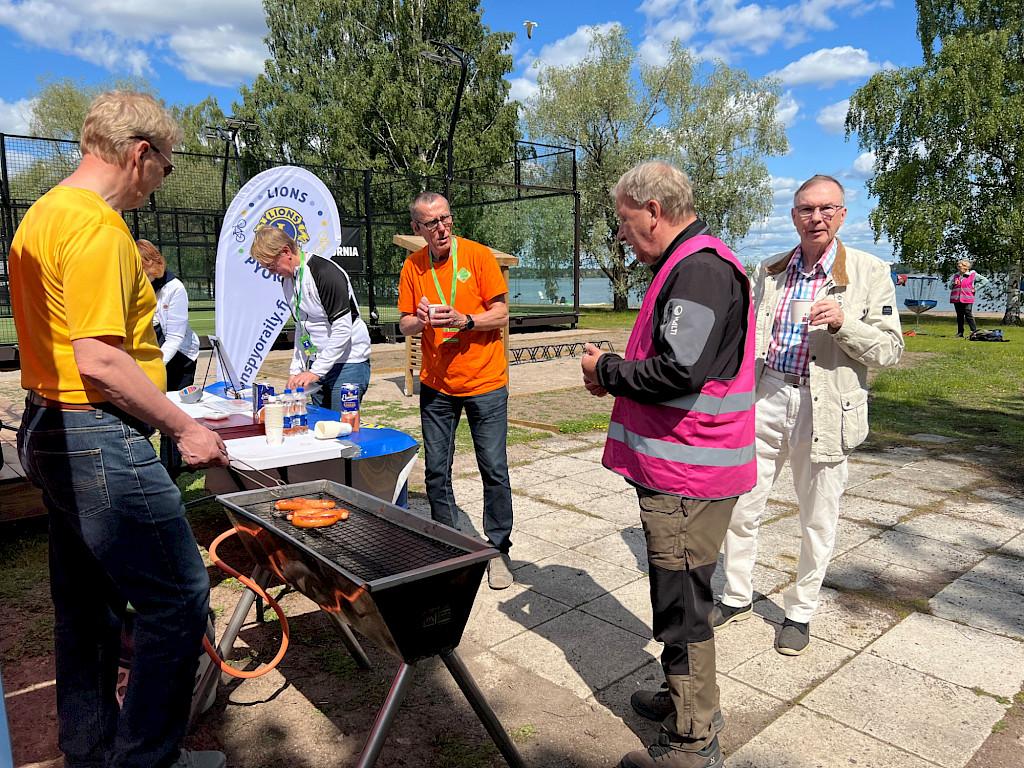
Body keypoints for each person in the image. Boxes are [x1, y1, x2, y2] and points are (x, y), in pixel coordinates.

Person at [9, 91, 228, 768]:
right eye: (164, 167)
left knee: (86, 606)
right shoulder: (100, 230)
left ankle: (93, 749)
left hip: (46, 424)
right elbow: (99, 358)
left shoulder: (41, 216)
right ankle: (146, 759)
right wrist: (184, 427)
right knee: (179, 599)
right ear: (140, 154)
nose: (161, 182)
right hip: (96, 434)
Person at [582, 161, 756, 768]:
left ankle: (693, 736)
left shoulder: (700, 270)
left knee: (682, 607)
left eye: (626, 223)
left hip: (690, 477)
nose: (624, 237)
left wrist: (604, 370)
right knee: (676, 595)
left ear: (653, 210)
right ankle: (684, 697)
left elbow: (678, 371)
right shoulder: (689, 265)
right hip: (682, 472)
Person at [714, 174, 904, 656]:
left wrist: (845, 324)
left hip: (827, 406)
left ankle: (799, 611)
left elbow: (889, 351)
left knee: (818, 516)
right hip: (768, 395)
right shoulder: (772, 269)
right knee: (741, 505)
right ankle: (736, 594)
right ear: (793, 214)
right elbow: (748, 335)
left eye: (825, 209)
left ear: (842, 215)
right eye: (805, 209)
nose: (814, 218)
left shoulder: (868, 270)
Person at [398, 192, 515, 590]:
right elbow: (403, 324)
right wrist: (421, 320)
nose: (442, 228)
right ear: (417, 229)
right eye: (431, 223)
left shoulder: (479, 257)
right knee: (435, 472)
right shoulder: (413, 267)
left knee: (494, 469)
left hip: (485, 382)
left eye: (445, 218)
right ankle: (449, 549)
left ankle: (498, 549)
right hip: (437, 385)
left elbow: (500, 314)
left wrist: (465, 320)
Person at [249, 227, 372, 408]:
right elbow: (301, 325)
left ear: (286, 251)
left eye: (272, 266)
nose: (271, 272)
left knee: (342, 429)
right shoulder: (288, 280)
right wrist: (296, 370)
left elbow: (342, 328)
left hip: (348, 364)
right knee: (317, 428)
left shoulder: (324, 273)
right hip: (318, 364)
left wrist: (316, 371)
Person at [138, 238, 201, 477]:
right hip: (152, 355)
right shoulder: (133, 284)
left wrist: (152, 367)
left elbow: (174, 337)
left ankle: (171, 472)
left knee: (172, 417)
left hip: (179, 357)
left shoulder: (175, 288)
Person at [949, 258, 988, 337]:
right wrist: (954, 283)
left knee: (968, 313)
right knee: (959, 315)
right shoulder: (956, 276)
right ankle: (960, 332)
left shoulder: (973, 275)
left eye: (960, 267)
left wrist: (975, 288)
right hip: (957, 298)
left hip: (968, 297)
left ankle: (974, 332)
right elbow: (950, 286)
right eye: (958, 267)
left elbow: (985, 281)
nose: (958, 268)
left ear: (965, 267)